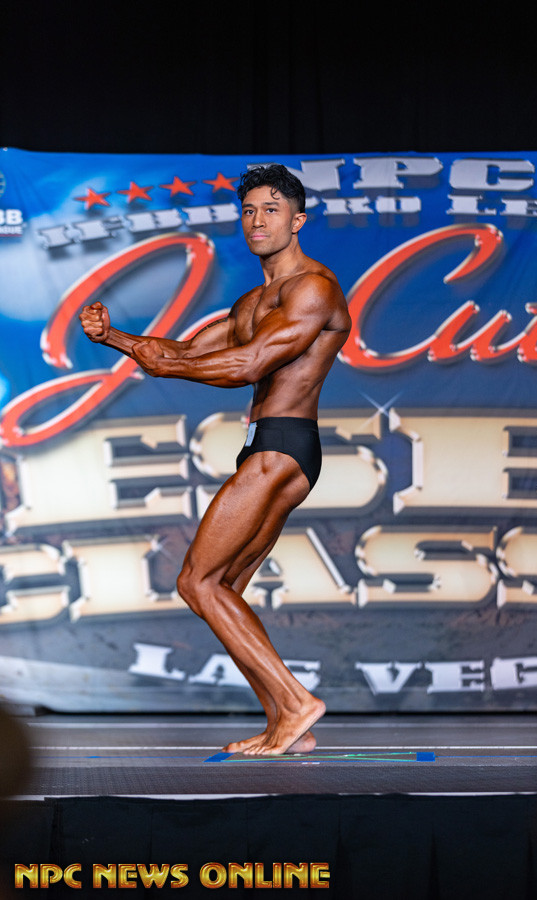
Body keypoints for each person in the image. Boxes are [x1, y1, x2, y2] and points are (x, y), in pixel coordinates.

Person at [79, 164, 351, 755]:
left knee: (195, 580)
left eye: (271, 210)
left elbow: (249, 365)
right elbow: (183, 351)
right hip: (268, 445)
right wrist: (114, 339)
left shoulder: (313, 289)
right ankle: (286, 722)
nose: (257, 221)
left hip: (284, 443)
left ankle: (297, 703)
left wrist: (168, 365)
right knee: (222, 588)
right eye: (249, 211)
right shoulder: (251, 301)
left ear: (298, 220)